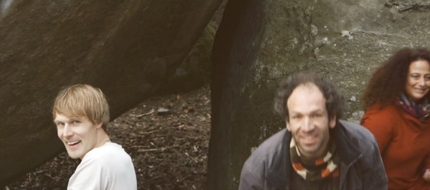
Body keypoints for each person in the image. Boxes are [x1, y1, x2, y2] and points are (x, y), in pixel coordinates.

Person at [239, 73, 387, 190]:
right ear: (288, 122)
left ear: (332, 117)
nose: (307, 127)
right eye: (297, 117)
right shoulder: (260, 168)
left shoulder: (364, 148)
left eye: (316, 115)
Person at [361, 47, 430, 190]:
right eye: (415, 76)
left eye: (428, 77)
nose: (422, 83)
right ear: (401, 77)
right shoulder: (382, 118)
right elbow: (359, 168)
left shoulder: (425, 113)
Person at [52, 84, 137, 190]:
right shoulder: (119, 155)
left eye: (75, 122)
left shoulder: (96, 162)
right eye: (61, 124)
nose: (66, 133)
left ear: (98, 121)